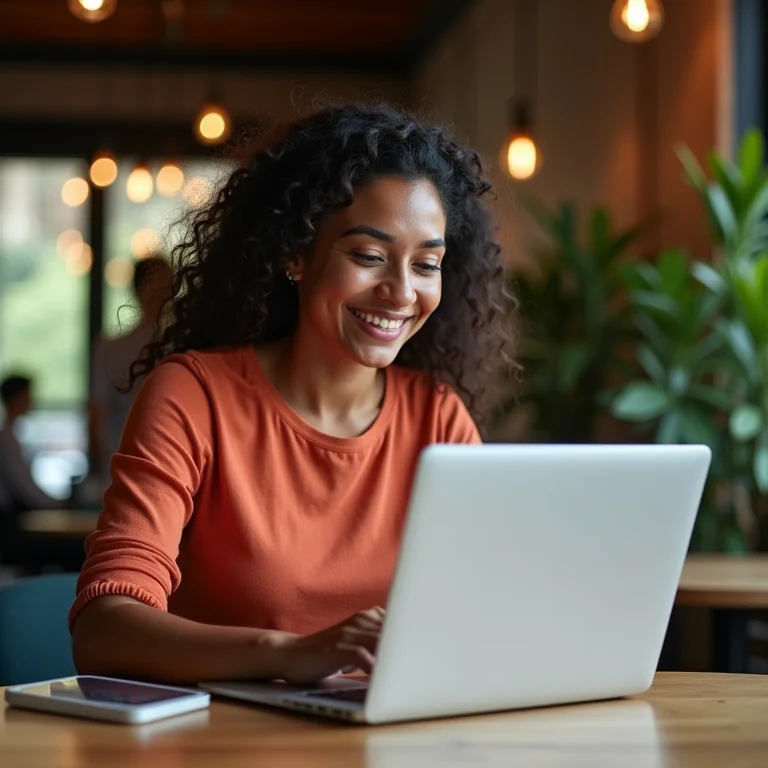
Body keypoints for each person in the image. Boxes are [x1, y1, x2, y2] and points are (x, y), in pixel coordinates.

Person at [70, 104, 517, 685]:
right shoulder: (194, 395)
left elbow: (487, 609)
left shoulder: (437, 416)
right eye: (368, 256)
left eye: (426, 264)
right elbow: (105, 628)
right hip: (225, 742)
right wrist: (289, 653)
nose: (401, 292)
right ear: (296, 255)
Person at [88, 256, 172, 477]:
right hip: (128, 463)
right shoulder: (180, 346)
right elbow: (97, 413)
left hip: (133, 463)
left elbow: (96, 415)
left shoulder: (108, 347)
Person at [0, 374, 65, 513]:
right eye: (28, 395)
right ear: (16, 399)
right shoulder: (7, 439)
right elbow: (23, 485)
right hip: (8, 516)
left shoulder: (10, 435)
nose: (32, 400)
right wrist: (56, 505)